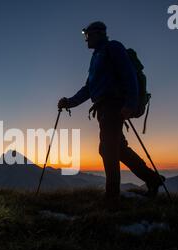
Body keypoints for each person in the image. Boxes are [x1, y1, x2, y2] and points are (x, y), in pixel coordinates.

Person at [58, 21, 164, 211]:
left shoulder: (113, 48)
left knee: (108, 149)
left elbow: (129, 73)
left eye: (87, 35)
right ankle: (153, 180)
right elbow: (89, 88)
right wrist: (69, 102)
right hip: (104, 108)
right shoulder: (96, 57)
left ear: (98, 34)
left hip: (113, 105)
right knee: (117, 149)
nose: (85, 39)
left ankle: (112, 197)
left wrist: (130, 103)